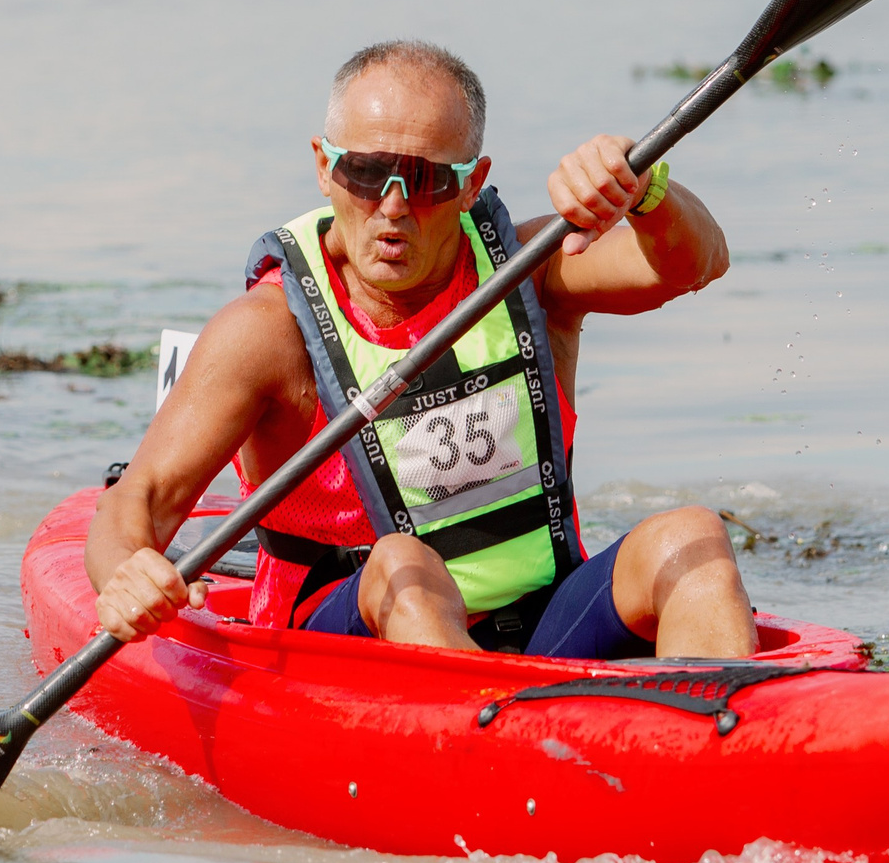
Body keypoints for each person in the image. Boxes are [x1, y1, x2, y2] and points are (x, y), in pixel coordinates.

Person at [88, 39, 754, 659]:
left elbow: (697, 261)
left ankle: (725, 748)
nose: (394, 206)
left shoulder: (530, 271)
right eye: (366, 172)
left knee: (692, 533)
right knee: (406, 564)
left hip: (542, 624)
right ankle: (489, 760)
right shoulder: (264, 333)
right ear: (324, 167)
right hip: (341, 646)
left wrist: (645, 190)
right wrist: (126, 575)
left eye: (426, 180)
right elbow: (134, 505)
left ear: (472, 182)